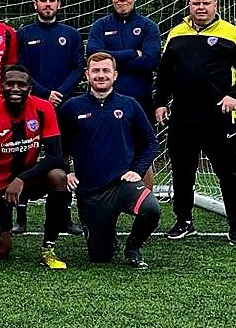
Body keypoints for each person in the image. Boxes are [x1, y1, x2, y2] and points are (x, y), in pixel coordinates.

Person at [154, 0, 236, 246]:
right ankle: (184, 221)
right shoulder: (176, 34)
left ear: (215, 5)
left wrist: (235, 95)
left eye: (206, 3)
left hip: (219, 118)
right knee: (182, 171)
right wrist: (160, 103)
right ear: (189, 5)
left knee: (228, 173)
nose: (201, 8)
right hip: (182, 117)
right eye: (195, 3)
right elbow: (165, 74)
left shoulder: (233, 34)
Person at [59, 52, 160, 269]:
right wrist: (66, 171)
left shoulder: (130, 105)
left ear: (115, 75)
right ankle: (107, 234)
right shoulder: (71, 107)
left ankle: (133, 247)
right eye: (95, 71)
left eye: (106, 71)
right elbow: (57, 147)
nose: (101, 75)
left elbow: (150, 143)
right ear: (87, 75)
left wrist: (138, 169)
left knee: (151, 209)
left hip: (123, 185)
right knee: (100, 257)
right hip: (91, 191)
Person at [0, 64, 71, 269]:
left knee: (59, 176)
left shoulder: (43, 109)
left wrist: (21, 179)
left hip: (29, 180)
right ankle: (2, 223)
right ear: (1, 87)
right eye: (10, 84)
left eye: (21, 84)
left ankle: (48, 247)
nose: (15, 88)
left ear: (30, 88)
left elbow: (55, 156)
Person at [14, 0, 84, 235]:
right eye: (42, 0)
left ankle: (64, 216)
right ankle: (20, 219)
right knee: (24, 155)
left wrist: (60, 93)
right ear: (35, 4)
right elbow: (19, 70)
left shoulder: (71, 34)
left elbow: (78, 68)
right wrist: (44, 93)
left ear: (59, 4)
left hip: (63, 105)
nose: (47, 4)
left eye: (52, 0)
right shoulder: (23, 34)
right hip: (32, 104)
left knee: (62, 158)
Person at [86, 0, 160, 187]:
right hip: (104, 100)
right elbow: (93, 54)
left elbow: (150, 60)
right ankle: (102, 204)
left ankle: (144, 206)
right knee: (102, 150)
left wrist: (110, 58)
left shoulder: (148, 26)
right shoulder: (100, 25)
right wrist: (133, 53)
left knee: (142, 153)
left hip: (140, 100)